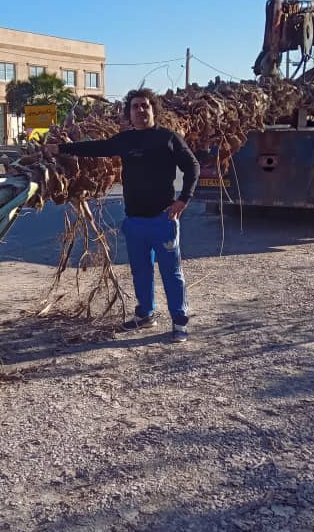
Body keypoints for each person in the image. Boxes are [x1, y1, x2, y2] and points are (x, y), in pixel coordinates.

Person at [45, 88, 199, 342]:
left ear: (153, 110)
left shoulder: (167, 138)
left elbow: (192, 165)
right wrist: (60, 148)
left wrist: (183, 200)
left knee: (172, 273)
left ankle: (180, 321)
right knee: (141, 271)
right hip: (135, 220)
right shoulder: (125, 140)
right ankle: (146, 314)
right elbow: (96, 148)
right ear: (129, 113)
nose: (140, 110)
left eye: (145, 106)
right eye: (135, 106)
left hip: (163, 219)